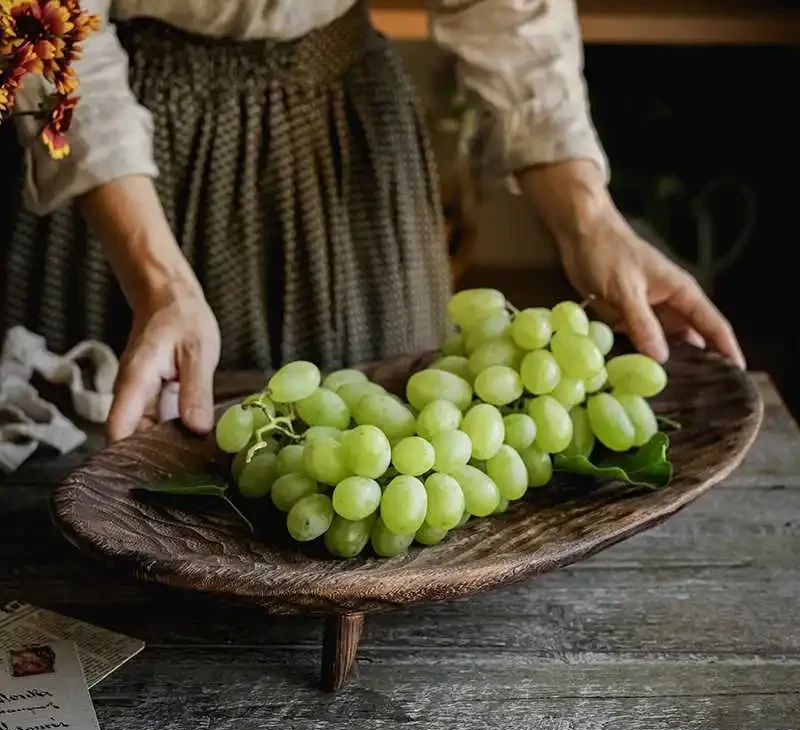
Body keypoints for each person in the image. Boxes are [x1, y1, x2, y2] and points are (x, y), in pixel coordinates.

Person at [0, 0, 744, 444]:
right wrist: (155, 278)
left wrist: (590, 218)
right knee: (97, 467)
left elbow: (509, 11)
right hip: (113, 161)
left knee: (389, 445)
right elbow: (40, 19)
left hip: (342, 134)